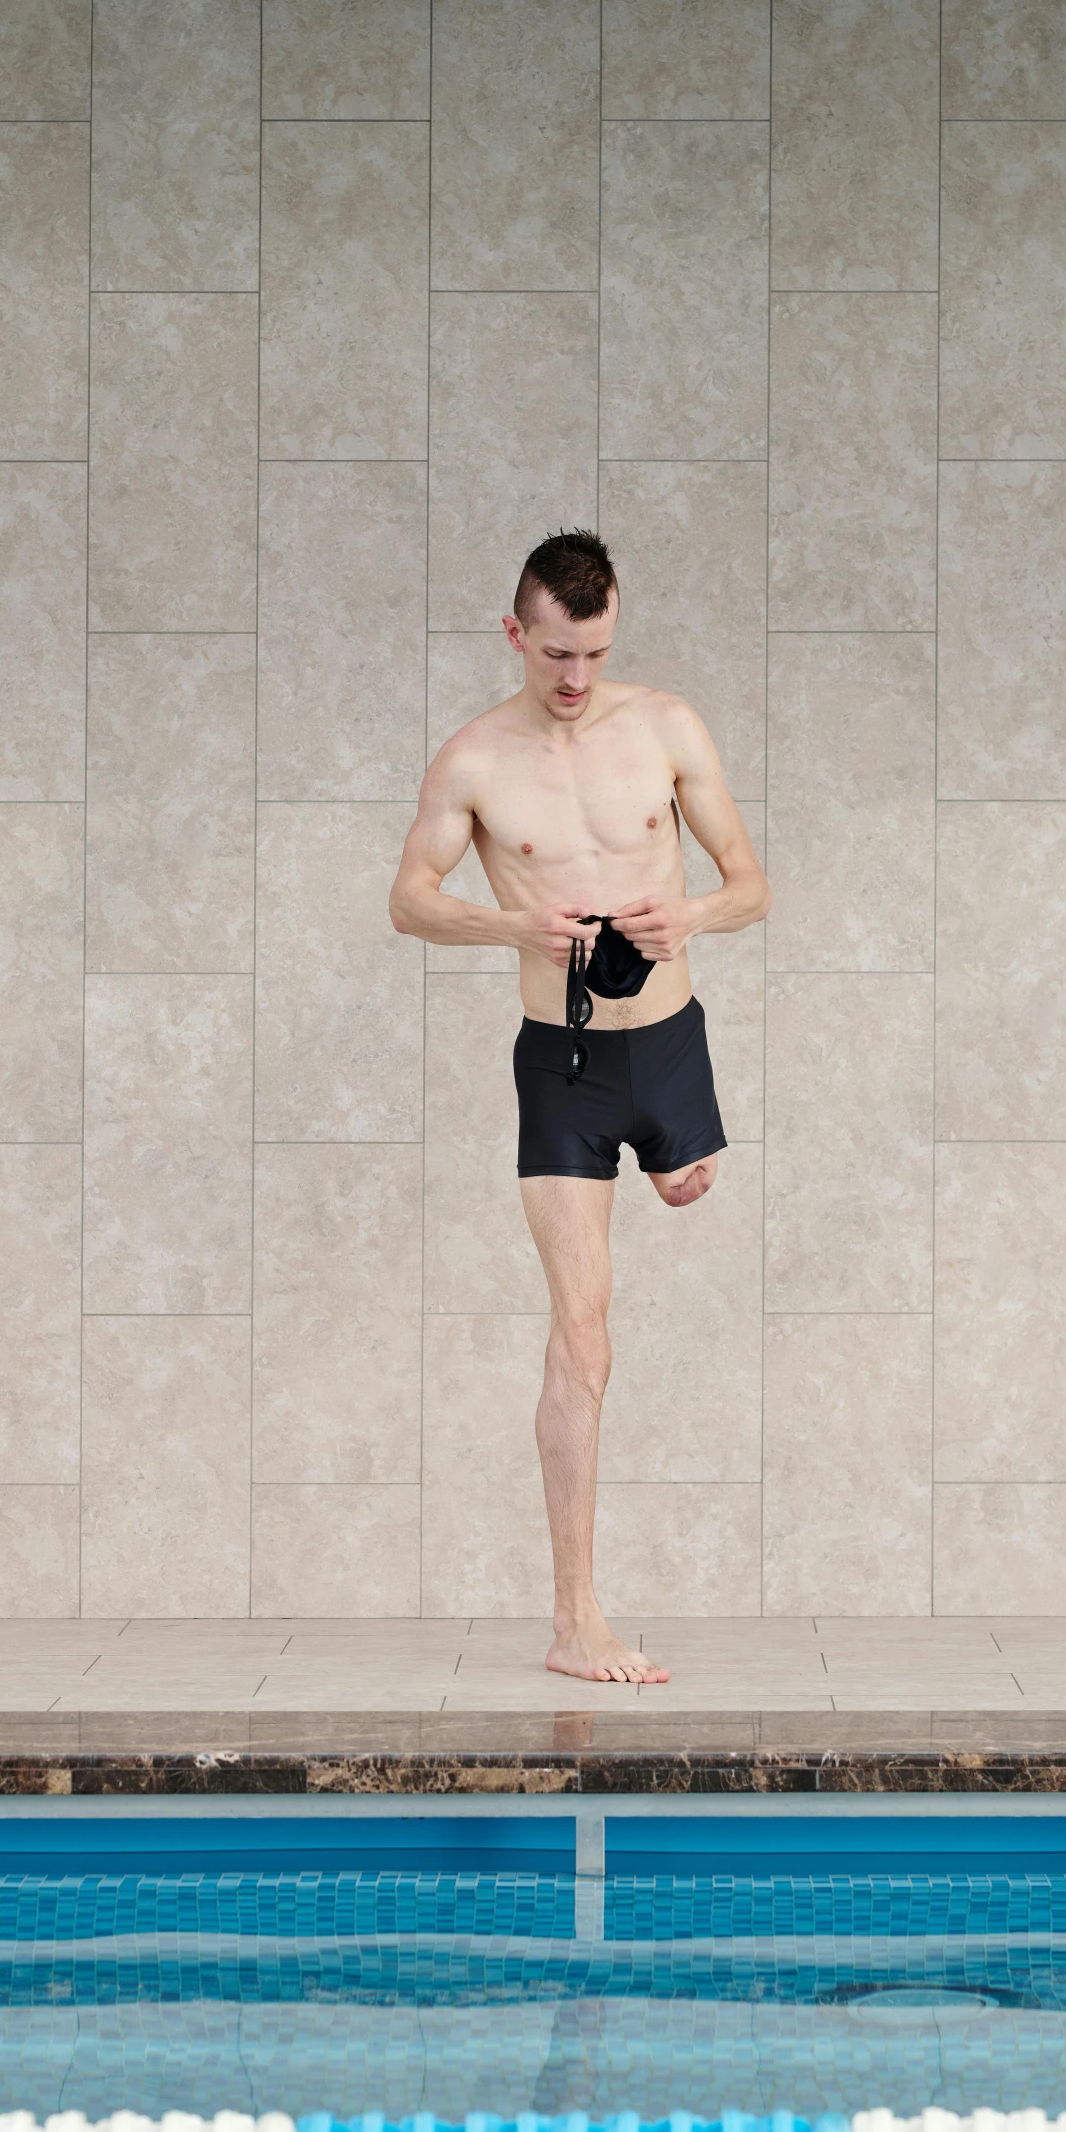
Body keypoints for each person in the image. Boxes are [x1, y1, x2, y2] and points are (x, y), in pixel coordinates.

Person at [389, 531, 771, 1684]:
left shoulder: (665, 727)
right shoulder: (473, 760)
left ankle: (674, 1155)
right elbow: (408, 900)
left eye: (593, 653)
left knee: (687, 1186)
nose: (572, 678)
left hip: (668, 1050)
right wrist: (510, 923)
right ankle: (574, 1621)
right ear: (515, 632)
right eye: (554, 652)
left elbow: (752, 882)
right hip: (558, 1064)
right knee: (585, 1336)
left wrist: (688, 918)